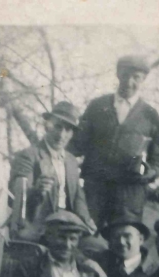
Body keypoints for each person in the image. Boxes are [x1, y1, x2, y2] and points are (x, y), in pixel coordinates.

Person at [70, 55, 159, 228]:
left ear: (143, 80)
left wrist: (147, 171)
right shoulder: (97, 106)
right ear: (117, 74)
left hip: (130, 196)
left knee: (122, 246)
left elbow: (158, 161)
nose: (129, 82)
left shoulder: (150, 114)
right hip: (95, 192)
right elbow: (76, 144)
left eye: (136, 77)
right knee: (87, 239)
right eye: (125, 75)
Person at [9, 102, 96, 243]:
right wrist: (37, 190)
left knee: (99, 249)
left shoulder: (71, 160)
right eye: (58, 127)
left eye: (68, 130)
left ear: (72, 133)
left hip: (68, 227)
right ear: (47, 126)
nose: (62, 135)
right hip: (40, 228)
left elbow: (77, 196)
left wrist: (88, 222)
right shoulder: (28, 155)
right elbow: (19, 195)